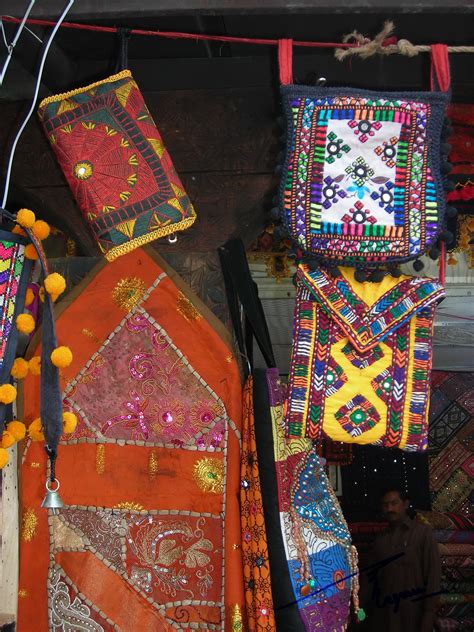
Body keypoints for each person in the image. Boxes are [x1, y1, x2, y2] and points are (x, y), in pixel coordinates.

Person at [364, 487, 441, 632]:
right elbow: (369, 579)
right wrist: (360, 609)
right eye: (385, 505)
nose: (389, 508)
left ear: (405, 504)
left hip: (413, 615)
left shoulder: (422, 533)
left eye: (394, 503)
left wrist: (428, 615)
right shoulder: (380, 539)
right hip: (384, 615)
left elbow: (433, 576)